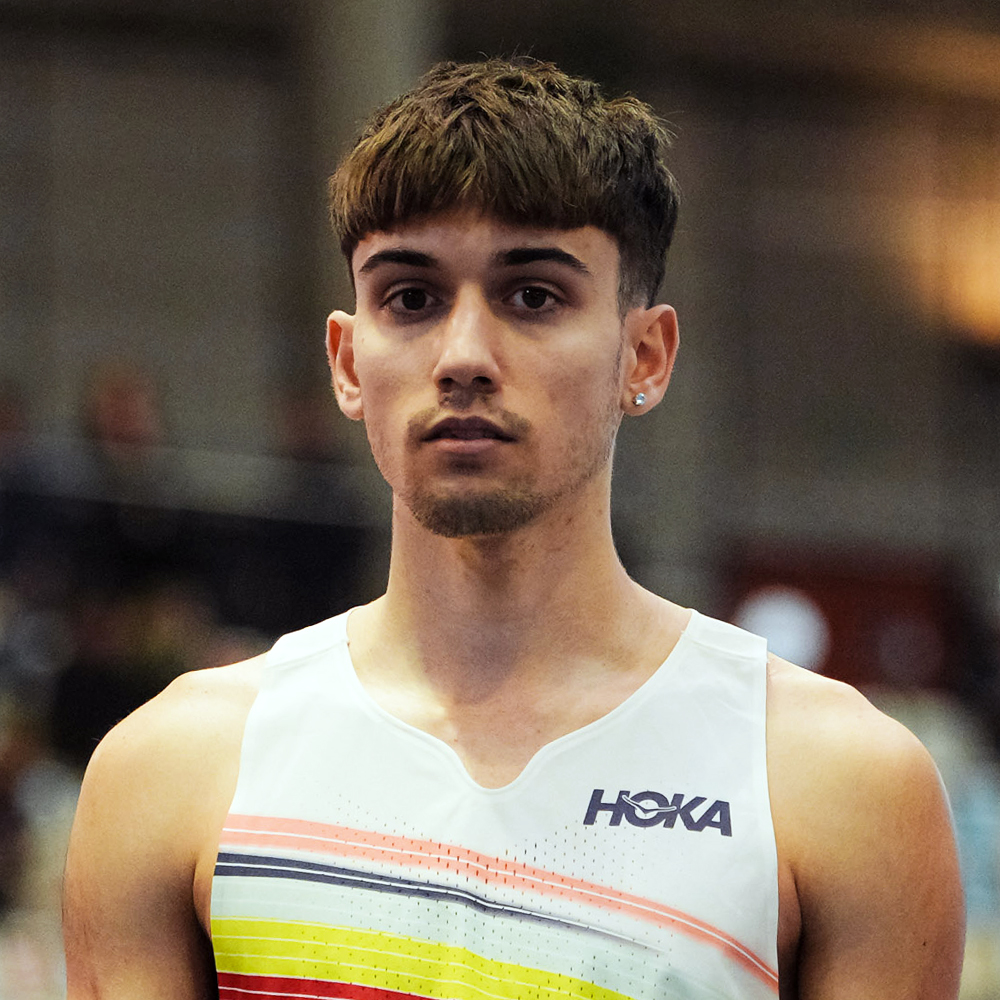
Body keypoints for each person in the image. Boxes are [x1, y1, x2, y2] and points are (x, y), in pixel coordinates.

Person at [63, 58, 964, 1000]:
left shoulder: (834, 784)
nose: (463, 357)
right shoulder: (171, 770)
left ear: (644, 356)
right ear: (348, 362)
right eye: (410, 298)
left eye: (533, 295)